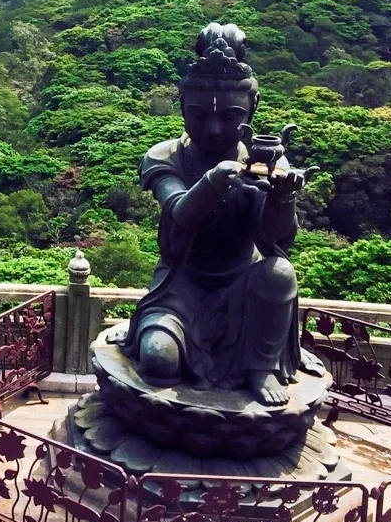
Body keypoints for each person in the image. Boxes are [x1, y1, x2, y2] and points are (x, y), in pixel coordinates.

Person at [112, 23, 311, 406]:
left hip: (243, 285)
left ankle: (260, 367)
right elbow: (180, 213)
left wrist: (282, 199)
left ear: (251, 110)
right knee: (157, 361)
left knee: (280, 272)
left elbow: (276, 239)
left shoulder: (262, 159)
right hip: (181, 285)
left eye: (231, 115)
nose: (215, 127)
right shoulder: (164, 156)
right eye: (199, 115)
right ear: (182, 108)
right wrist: (213, 181)